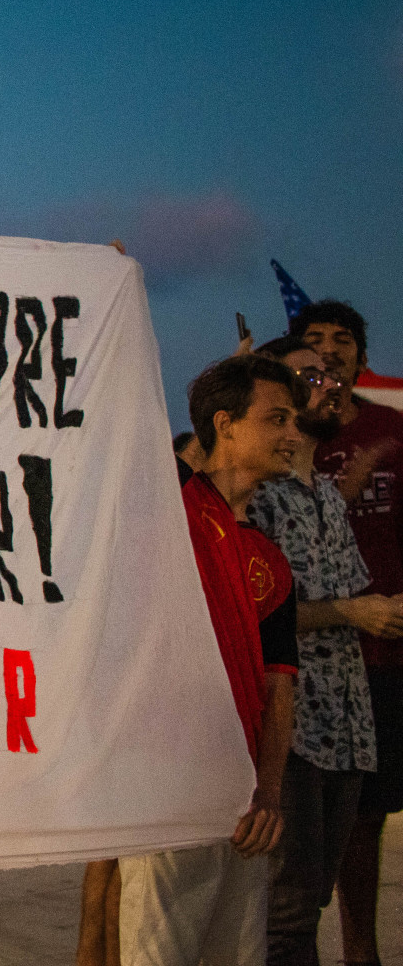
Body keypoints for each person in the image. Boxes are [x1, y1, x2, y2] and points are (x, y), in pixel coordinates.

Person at [119, 354, 303, 966]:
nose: (292, 435)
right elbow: (121, 420)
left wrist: (269, 794)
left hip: (241, 801)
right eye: (276, 419)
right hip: (168, 787)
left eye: (293, 421)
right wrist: (107, 303)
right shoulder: (170, 507)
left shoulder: (270, 561)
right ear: (225, 423)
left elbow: (280, 688)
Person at [249, 336, 401, 965]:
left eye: (332, 374)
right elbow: (255, 618)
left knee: (309, 900)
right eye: (308, 376)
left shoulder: (323, 496)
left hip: (345, 724)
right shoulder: (256, 497)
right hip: (293, 728)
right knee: (284, 914)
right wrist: (353, 612)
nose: (330, 382)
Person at [291, 301, 403, 966]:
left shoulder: (393, 430)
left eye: (341, 341)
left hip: (386, 654)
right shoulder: (286, 440)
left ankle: (360, 948)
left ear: (361, 356)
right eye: (313, 341)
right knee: (304, 822)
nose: (329, 352)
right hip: (302, 658)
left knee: (369, 812)